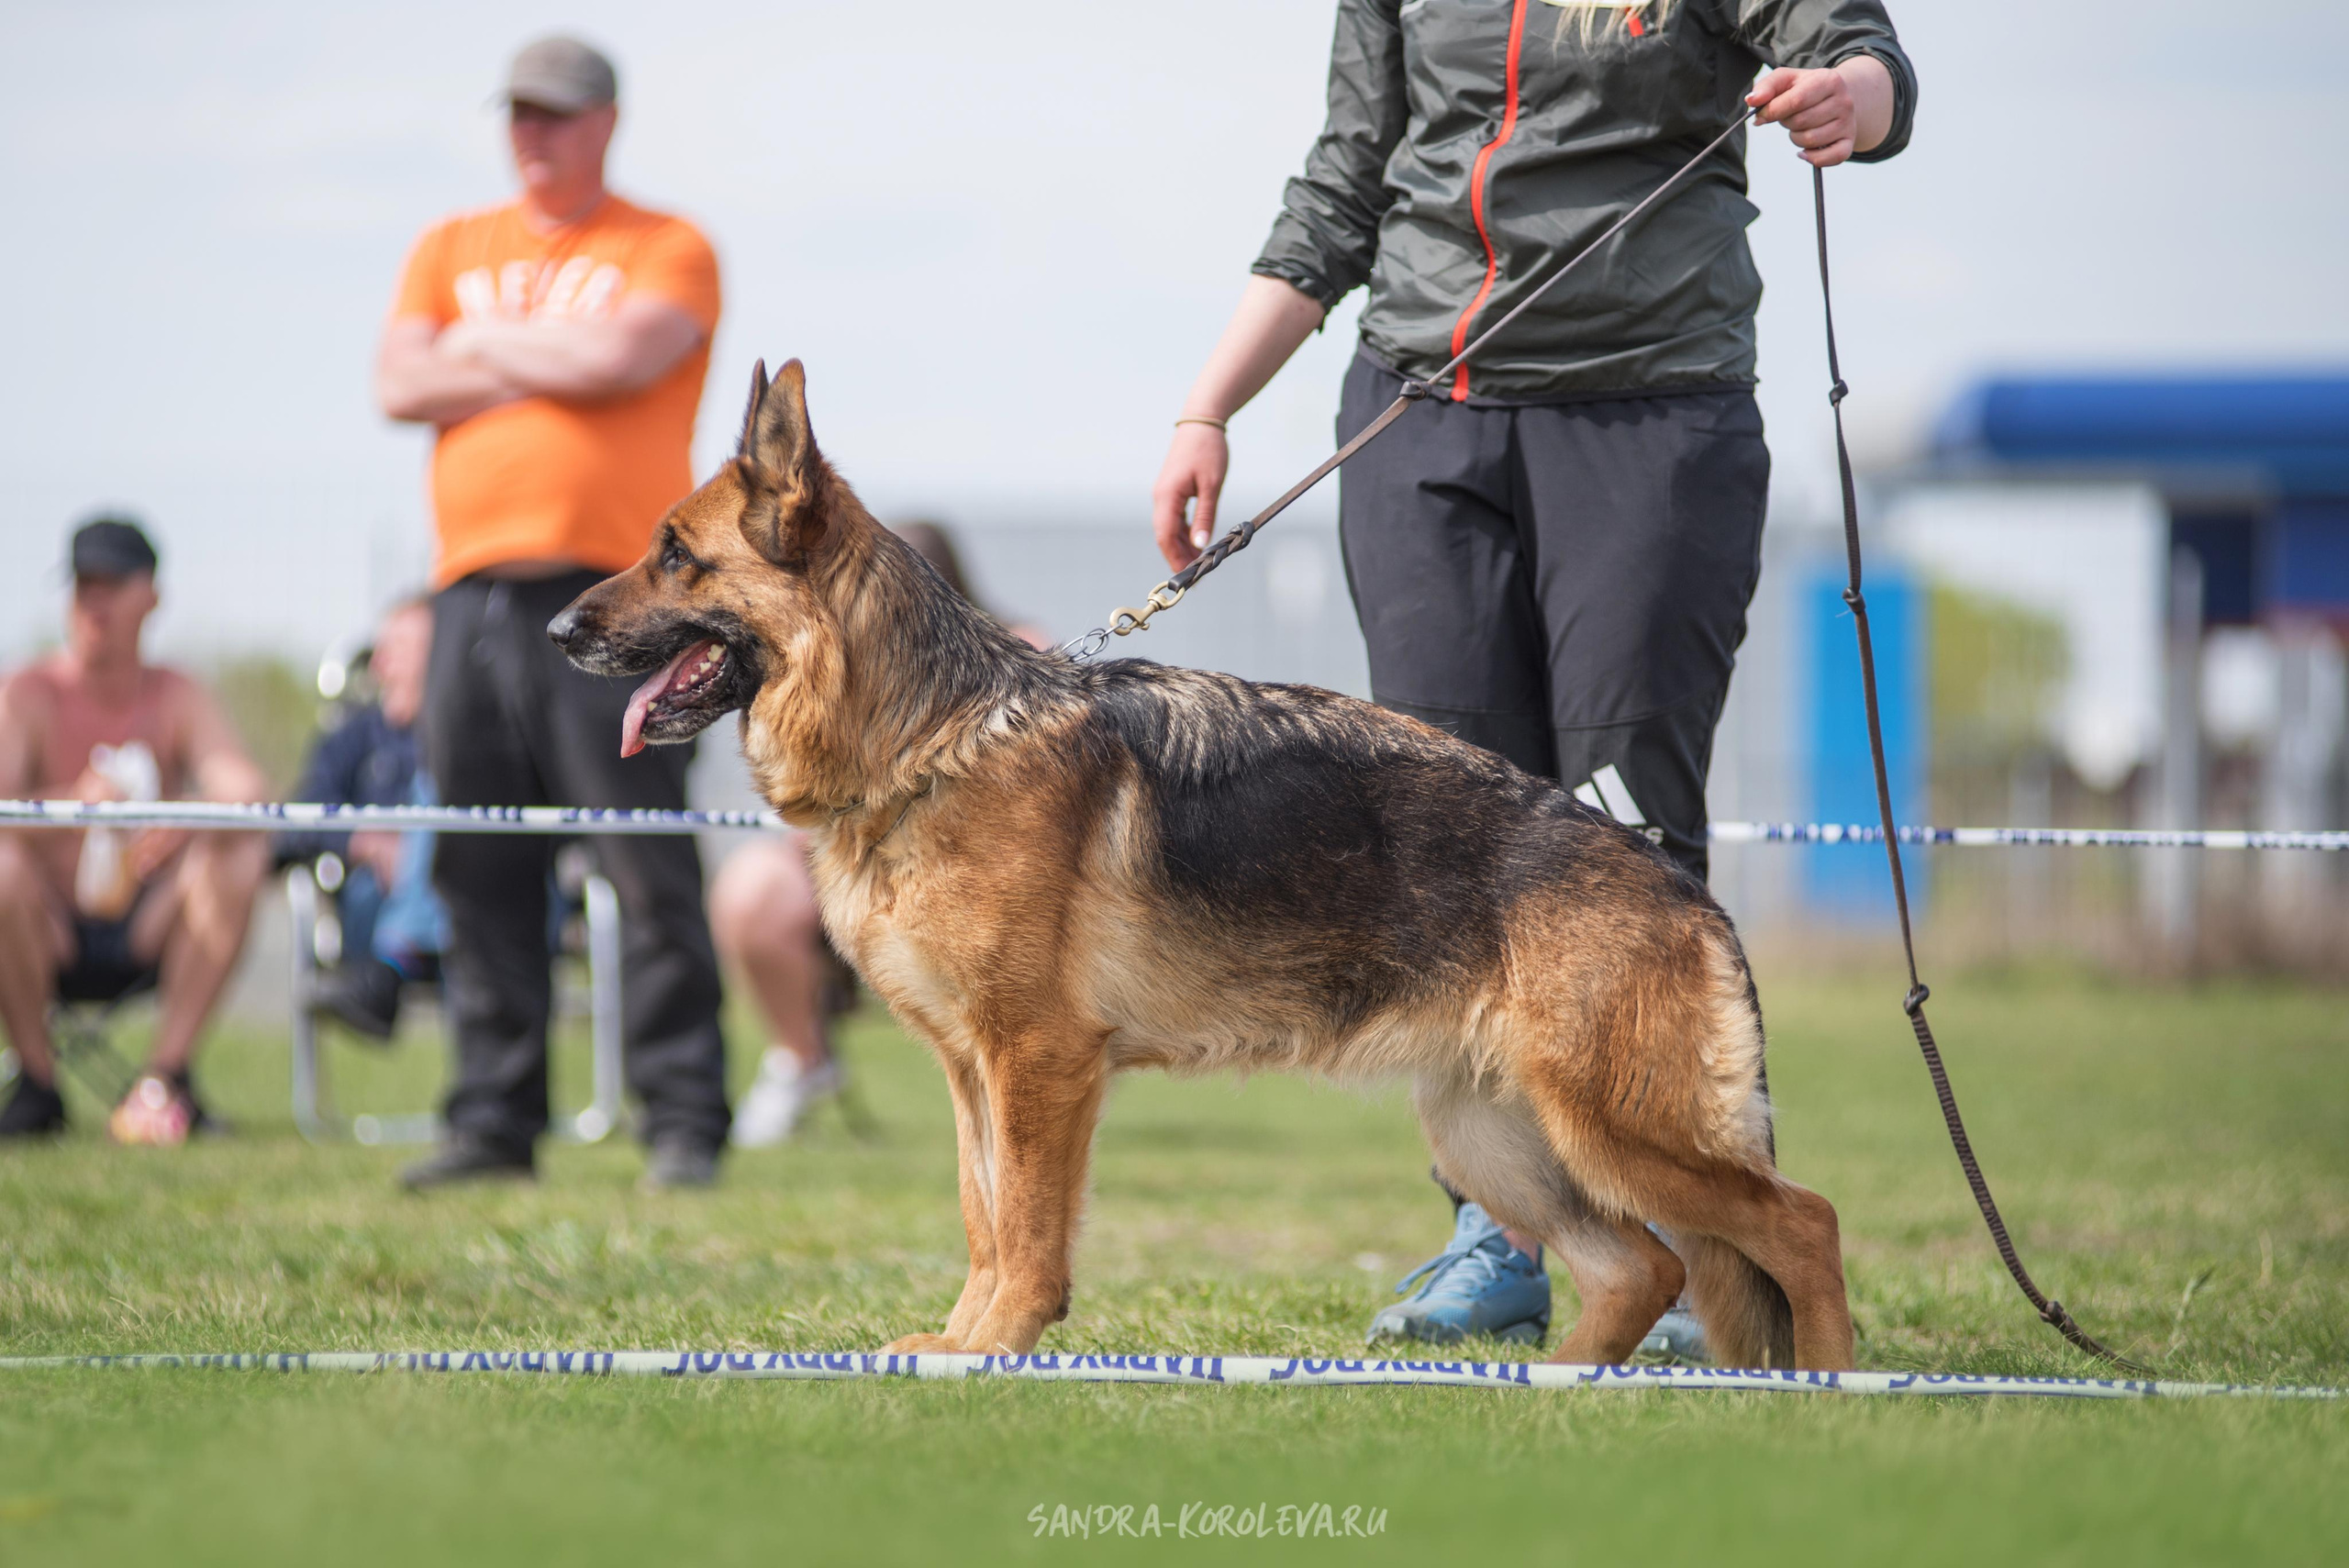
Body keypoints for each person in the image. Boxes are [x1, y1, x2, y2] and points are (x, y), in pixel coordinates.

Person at [1148, 1, 1915, 1352]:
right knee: (1439, 861)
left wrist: (1858, 99)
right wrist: (1208, 407)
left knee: (1630, 847)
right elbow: (1347, 175)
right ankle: (1499, 1239)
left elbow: (1860, 49)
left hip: (1651, 412)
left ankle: (1707, 1243)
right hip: (1421, 417)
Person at [375, 36, 730, 1189]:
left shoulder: (666, 244)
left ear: (607, 122)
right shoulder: (448, 244)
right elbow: (397, 382)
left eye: (558, 115)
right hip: (469, 589)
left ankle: (682, 1118)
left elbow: (627, 356)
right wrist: (544, 357)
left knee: (645, 859)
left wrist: (475, 348)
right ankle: (493, 1120)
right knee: (481, 858)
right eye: (520, 114)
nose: (535, 135)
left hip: (620, 592)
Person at [717, 521, 1047, 1146]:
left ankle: (1032, 1068)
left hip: (981, 870)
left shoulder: (1021, 646)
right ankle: (801, 1061)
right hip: (851, 858)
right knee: (749, 891)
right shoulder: (826, 662)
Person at [0, 517, 272, 1143]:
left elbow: (246, 787)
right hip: (49, 926)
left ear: (150, 595)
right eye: (83, 584)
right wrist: (76, 805)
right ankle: (38, 1085)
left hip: (148, 922)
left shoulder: (176, 693)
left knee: (237, 850)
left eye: (111, 584)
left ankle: (162, 1079)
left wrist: (179, 815)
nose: (94, 601)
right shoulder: (28, 692)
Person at [275, 596, 447, 1039]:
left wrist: (415, 853)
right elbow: (296, 822)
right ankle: (398, 954)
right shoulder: (354, 736)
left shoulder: (475, 739)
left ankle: (394, 963)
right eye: (381, 653)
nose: (382, 667)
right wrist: (365, 840)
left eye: (400, 653)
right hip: (374, 906)